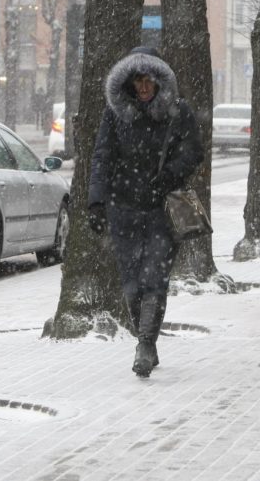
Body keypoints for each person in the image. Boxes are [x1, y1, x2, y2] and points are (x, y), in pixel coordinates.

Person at [88, 46, 204, 377]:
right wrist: (96, 200)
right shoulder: (114, 114)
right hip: (123, 208)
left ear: (158, 81)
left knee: (155, 278)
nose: (143, 86)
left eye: (148, 79)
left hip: (161, 210)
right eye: (137, 80)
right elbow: (102, 156)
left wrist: (167, 176)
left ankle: (145, 344)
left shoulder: (177, 112)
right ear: (128, 82)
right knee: (131, 283)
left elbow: (194, 152)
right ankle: (145, 337)